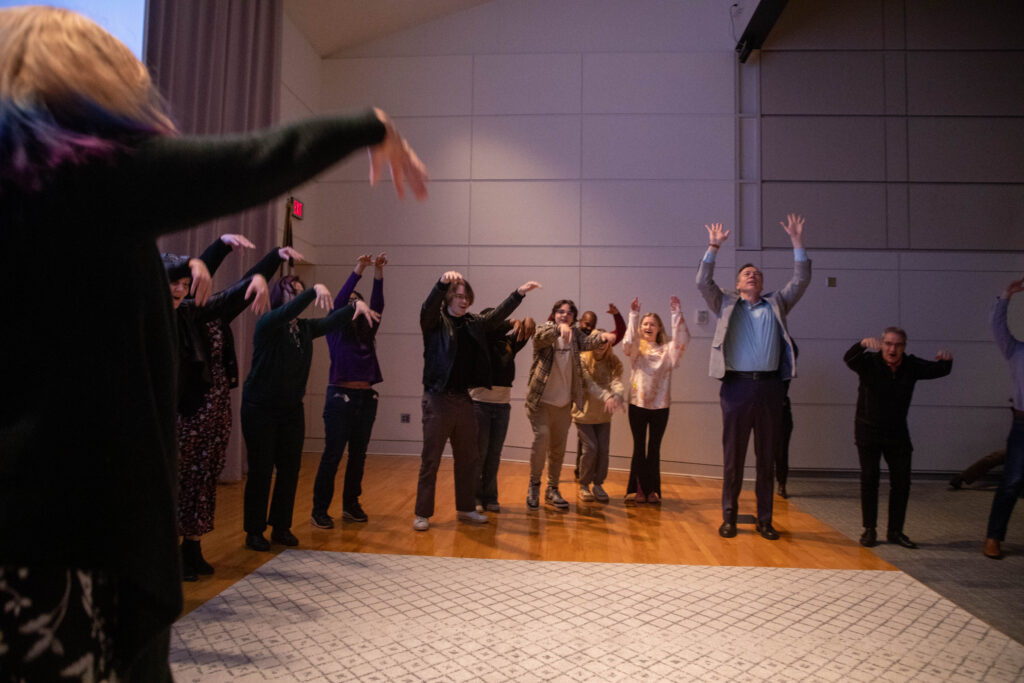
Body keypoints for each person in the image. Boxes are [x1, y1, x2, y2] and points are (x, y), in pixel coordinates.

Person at [0, 7, 427, 679]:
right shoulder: (75, 179)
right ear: (85, 82)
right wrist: (368, 124)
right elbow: (244, 164)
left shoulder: (34, 194)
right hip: (67, 533)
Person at [243, 276, 380, 550]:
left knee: (290, 470)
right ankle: (254, 531)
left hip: (291, 409)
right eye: (289, 292)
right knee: (261, 471)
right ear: (277, 297)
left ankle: (281, 527)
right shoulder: (268, 324)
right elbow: (287, 312)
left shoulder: (304, 329)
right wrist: (313, 290)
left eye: (298, 292)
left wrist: (356, 305)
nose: (294, 297)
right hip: (260, 409)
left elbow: (331, 321)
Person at [696, 215, 810, 541]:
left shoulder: (777, 303)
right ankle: (729, 517)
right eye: (747, 273)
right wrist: (713, 247)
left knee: (766, 459)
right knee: (733, 457)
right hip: (736, 387)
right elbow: (703, 282)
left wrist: (797, 242)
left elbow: (801, 280)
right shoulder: (726, 303)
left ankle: (764, 520)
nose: (753, 276)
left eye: (758, 275)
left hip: (772, 387)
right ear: (737, 282)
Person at [164, 241, 272, 582]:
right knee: (176, 483)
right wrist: (213, 249)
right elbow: (178, 268)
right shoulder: (160, 313)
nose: (182, 290)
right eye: (175, 284)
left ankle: (192, 548)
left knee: (202, 479)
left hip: (211, 408)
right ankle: (169, 556)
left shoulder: (196, 310)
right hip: (181, 413)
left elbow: (228, 299)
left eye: (186, 284)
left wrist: (258, 277)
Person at [415, 272, 541, 531]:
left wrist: (518, 293)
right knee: (431, 460)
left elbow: (495, 316)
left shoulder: (473, 323)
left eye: (467, 297)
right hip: (437, 397)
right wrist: (440, 284)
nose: (463, 301)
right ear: (448, 298)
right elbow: (427, 307)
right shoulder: (435, 323)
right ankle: (422, 513)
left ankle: (466, 509)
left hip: (463, 399)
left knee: (469, 459)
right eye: (459, 296)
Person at [844, 328, 953, 549]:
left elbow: (936, 370)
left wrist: (946, 362)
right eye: (889, 344)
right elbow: (849, 359)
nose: (893, 349)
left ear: (904, 347)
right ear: (882, 344)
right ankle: (869, 530)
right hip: (868, 431)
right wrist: (862, 344)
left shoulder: (910, 366)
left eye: (898, 345)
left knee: (902, 483)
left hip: (897, 433)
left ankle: (895, 531)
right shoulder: (869, 363)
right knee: (870, 479)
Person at [311, 253, 387, 529]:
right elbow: (342, 299)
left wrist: (378, 272)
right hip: (339, 398)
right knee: (333, 453)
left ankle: (351, 505)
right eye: (352, 302)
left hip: (366, 399)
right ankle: (319, 509)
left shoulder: (368, 327)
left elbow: (378, 303)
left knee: (359, 454)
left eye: (360, 300)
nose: (356, 304)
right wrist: (360, 268)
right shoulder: (335, 328)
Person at [526, 300, 617, 510]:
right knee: (541, 440)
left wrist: (605, 336)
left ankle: (552, 489)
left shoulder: (576, 336)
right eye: (560, 312)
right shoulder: (544, 331)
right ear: (554, 314)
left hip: (564, 405)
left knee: (557, 450)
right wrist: (559, 329)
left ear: (574, 318)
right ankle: (534, 485)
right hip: (541, 403)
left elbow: (591, 341)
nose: (564, 315)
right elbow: (541, 337)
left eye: (568, 313)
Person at [621, 296, 690, 504]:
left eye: (653, 324)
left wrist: (676, 313)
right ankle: (639, 489)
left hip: (661, 406)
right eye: (645, 324)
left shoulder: (668, 351)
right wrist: (633, 316)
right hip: (637, 404)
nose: (648, 327)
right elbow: (627, 342)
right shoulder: (636, 350)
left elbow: (682, 340)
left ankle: (653, 490)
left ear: (659, 328)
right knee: (639, 447)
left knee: (654, 448)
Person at [471, 313, 535, 513]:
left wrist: (527, 321)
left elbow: (526, 328)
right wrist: (509, 321)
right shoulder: (478, 341)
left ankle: (490, 496)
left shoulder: (507, 342)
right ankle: (474, 497)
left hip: (502, 405)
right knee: (479, 454)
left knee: (494, 455)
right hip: (479, 403)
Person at [984, 276, 1024, 559]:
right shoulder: (1017, 351)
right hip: (1023, 424)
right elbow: (997, 327)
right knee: (1011, 481)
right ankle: (994, 537)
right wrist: (1006, 296)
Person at [574, 303, 626, 480]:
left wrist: (617, 315)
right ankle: (583, 479)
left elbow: (619, 334)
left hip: (601, 412)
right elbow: (588, 382)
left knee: (599, 449)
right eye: (585, 323)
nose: (587, 327)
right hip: (582, 407)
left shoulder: (610, 357)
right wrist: (608, 396)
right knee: (589, 448)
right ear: (580, 321)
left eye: (591, 324)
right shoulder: (578, 344)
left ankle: (593, 480)